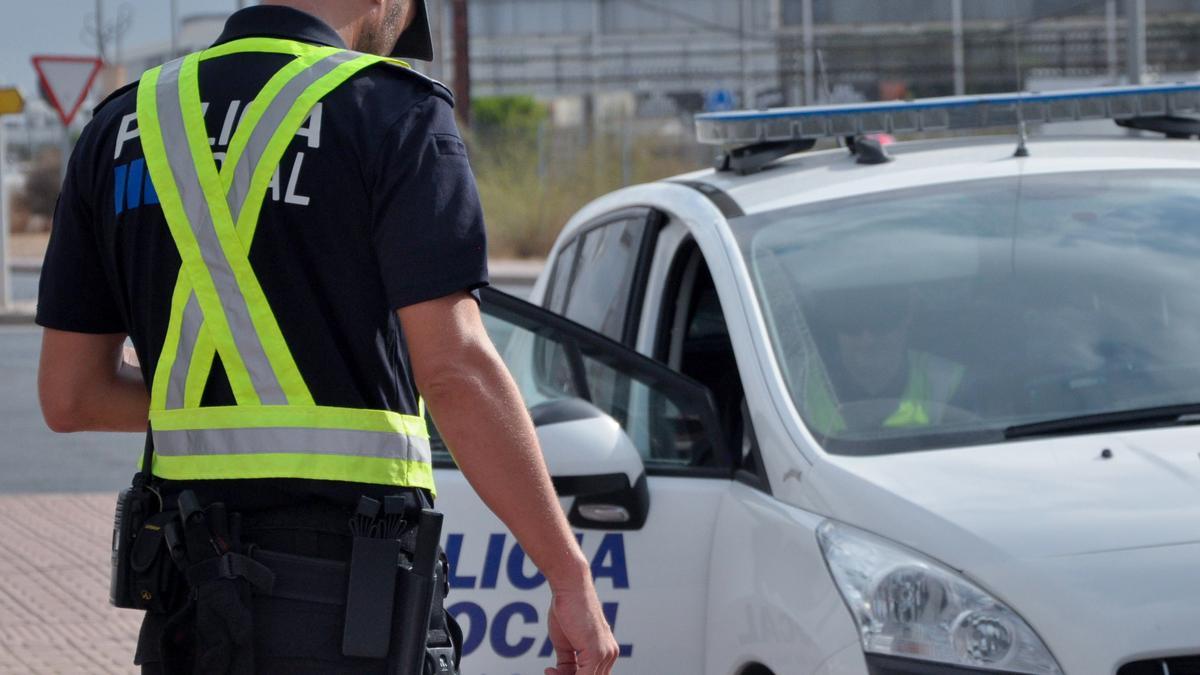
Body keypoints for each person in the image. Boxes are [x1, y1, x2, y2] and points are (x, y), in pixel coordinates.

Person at [34, 1, 619, 673]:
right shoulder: (390, 110)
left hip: (190, 612)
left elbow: (70, 395)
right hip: (352, 608)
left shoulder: (120, 125)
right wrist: (567, 573)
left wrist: (225, 404)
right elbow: (454, 370)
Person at [802, 286, 965, 435]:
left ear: (908, 315)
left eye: (881, 320)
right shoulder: (794, 384)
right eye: (850, 322)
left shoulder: (952, 383)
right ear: (832, 323)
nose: (867, 340)